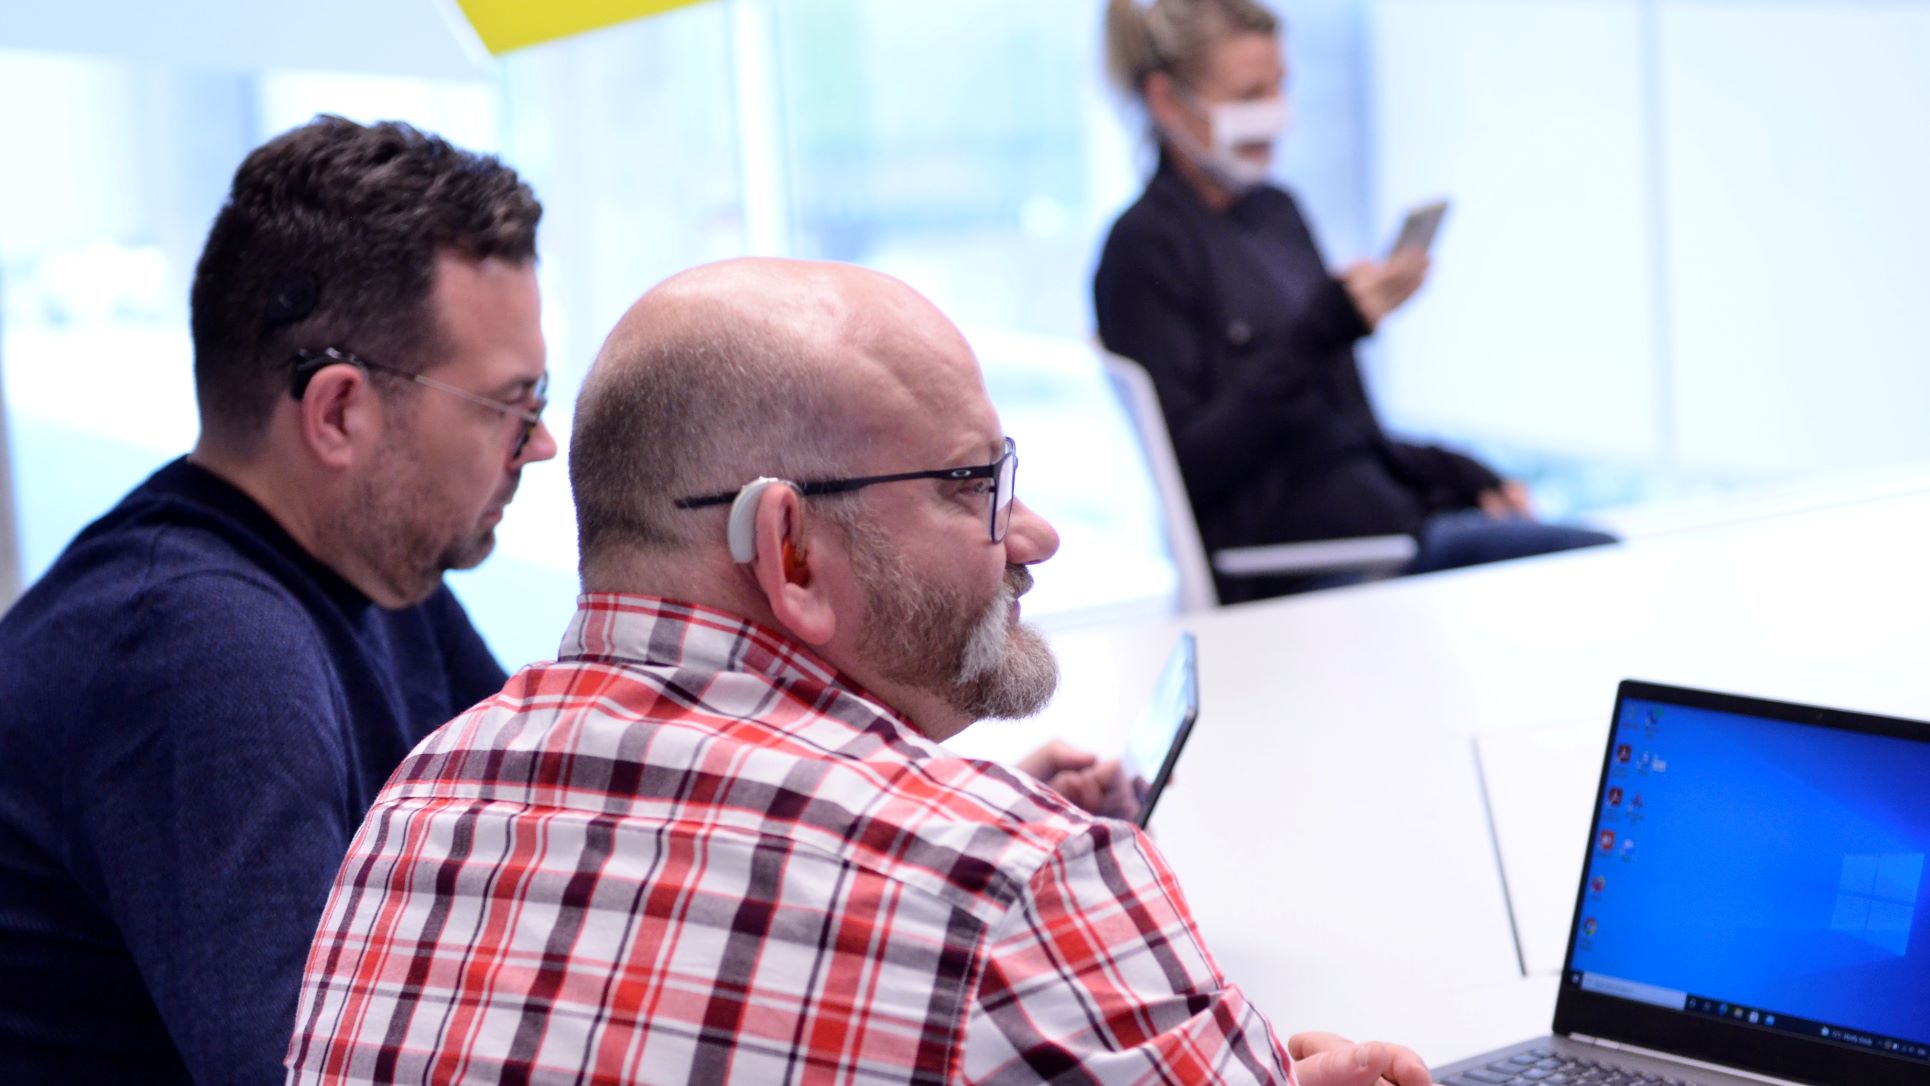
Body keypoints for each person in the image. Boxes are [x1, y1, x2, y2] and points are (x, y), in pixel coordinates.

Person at [284, 257, 1431, 1085]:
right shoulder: (1010, 882)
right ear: (787, 550)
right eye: (972, 485)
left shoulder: (415, 807)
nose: (1031, 537)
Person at [0, 116, 555, 1083]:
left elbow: (547, 837)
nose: (541, 445)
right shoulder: (202, 653)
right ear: (339, 411)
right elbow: (310, 1071)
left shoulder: (376, 570)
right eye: (513, 403)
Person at [1094, 0, 1613, 603]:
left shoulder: (1276, 213)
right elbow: (1191, 466)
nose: (1274, 114)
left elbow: (1345, 427)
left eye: (1279, 87)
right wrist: (1324, 329)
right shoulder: (1144, 249)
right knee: (1591, 566)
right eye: (1248, 94)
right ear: (1166, 101)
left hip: (1390, 532)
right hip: (1303, 570)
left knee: (1595, 554)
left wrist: (1455, 472)